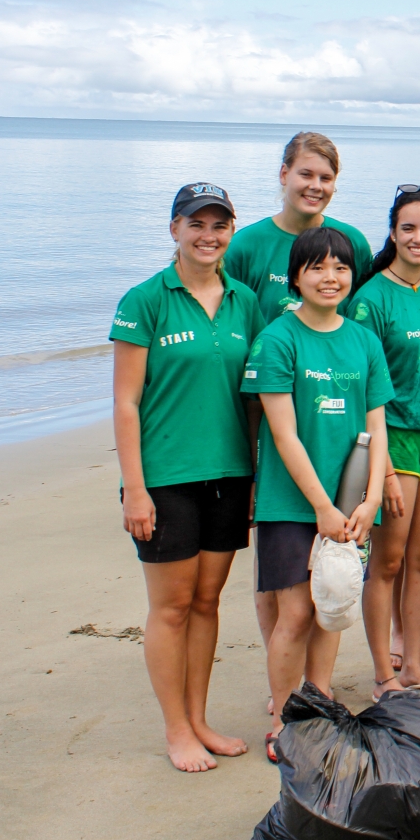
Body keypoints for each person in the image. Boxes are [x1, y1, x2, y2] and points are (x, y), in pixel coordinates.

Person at [111, 183, 262, 772]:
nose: (208, 235)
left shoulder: (245, 300)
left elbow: (252, 399)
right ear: (173, 229)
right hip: (166, 477)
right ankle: (176, 729)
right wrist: (136, 488)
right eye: (195, 223)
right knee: (171, 608)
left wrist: (253, 476)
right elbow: (126, 403)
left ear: (231, 231)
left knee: (207, 601)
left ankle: (200, 719)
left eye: (219, 224)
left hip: (229, 474)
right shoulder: (146, 299)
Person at [242, 226, 392, 761]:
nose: (331, 278)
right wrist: (321, 508)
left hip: (350, 502)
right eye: (317, 268)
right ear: (296, 277)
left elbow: (376, 428)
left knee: (334, 604)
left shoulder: (363, 339)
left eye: (341, 268)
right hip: (293, 503)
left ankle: (320, 699)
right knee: (297, 615)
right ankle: (286, 718)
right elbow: (282, 434)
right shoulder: (278, 338)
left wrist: (371, 499)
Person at [346, 186, 420, 702]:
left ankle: (414, 664)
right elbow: (361, 389)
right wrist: (384, 471)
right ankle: (383, 674)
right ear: (393, 231)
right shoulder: (370, 299)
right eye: (409, 228)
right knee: (388, 561)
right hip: (395, 442)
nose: (419, 238)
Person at [225, 131, 374, 324]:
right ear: (284, 174)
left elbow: (365, 314)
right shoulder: (245, 245)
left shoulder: (353, 241)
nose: (316, 186)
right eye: (306, 175)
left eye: (326, 178)